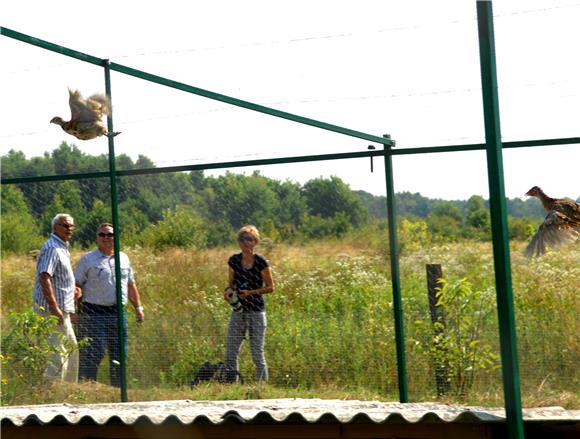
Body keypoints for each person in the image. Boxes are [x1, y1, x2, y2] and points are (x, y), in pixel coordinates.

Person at [74, 223, 144, 387]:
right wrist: (73, 311)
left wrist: (138, 308)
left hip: (118, 313)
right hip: (93, 312)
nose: (107, 238)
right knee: (94, 351)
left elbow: (130, 285)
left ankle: (118, 389)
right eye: (102, 235)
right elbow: (76, 286)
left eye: (110, 235)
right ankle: (87, 386)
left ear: (115, 237)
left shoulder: (124, 258)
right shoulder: (87, 259)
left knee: (120, 353)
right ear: (97, 238)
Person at [32, 213, 80, 382]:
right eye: (65, 226)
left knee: (71, 350)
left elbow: (57, 278)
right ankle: (51, 395)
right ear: (55, 227)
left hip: (62, 309)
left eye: (72, 226)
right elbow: (44, 276)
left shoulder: (62, 247)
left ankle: (67, 392)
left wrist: (72, 290)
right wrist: (54, 308)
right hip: (52, 311)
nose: (70, 229)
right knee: (58, 354)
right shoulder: (52, 247)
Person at [223, 225, 274, 382]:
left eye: (249, 239)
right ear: (239, 242)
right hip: (239, 311)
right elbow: (230, 284)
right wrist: (228, 292)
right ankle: (231, 385)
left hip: (257, 311)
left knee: (257, 353)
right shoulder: (234, 260)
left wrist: (251, 293)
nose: (246, 242)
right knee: (231, 351)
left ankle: (261, 389)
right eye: (242, 239)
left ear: (256, 242)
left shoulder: (261, 262)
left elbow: (271, 288)